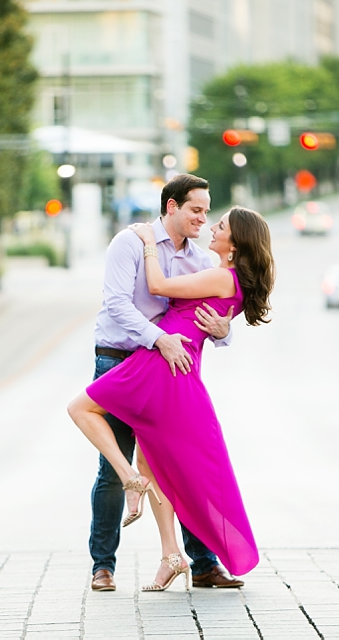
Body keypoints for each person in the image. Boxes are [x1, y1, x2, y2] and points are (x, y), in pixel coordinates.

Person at [69, 205, 274, 592]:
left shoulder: (211, 269)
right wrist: (224, 325)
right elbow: (204, 314)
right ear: (173, 207)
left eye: (218, 221)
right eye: (200, 211)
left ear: (237, 242)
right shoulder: (221, 273)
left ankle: (135, 484)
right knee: (158, 463)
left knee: (80, 409)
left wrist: (149, 245)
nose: (209, 222)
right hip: (158, 361)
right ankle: (167, 555)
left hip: (160, 364)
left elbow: (162, 288)